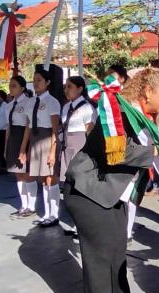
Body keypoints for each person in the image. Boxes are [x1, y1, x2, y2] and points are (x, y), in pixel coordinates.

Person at [64, 68, 159, 293]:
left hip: (112, 195)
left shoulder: (140, 116)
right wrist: (154, 152)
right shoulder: (118, 111)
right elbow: (118, 152)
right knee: (101, 261)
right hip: (89, 192)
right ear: (148, 91)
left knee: (116, 256)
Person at [21, 69, 61, 227]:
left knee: (51, 177)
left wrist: (52, 151)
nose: (36, 83)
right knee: (42, 179)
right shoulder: (31, 102)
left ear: (47, 82)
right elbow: (28, 127)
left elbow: (55, 129)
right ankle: (46, 213)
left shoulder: (52, 102)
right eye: (34, 80)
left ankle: (54, 214)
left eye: (39, 80)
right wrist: (24, 149)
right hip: (35, 140)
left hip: (48, 140)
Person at [59, 76, 96, 238]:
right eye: (65, 87)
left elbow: (90, 131)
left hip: (80, 146)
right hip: (67, 146)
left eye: (70, 86)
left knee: (80, 186)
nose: (66, 90)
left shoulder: (87, 108)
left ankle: (83, 225)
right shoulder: (66, 107)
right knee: (70, 187)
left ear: (80, 88)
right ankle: (75, 223)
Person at [5, 76, 37, 218]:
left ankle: (31, 205)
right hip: (13, 138)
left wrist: (23, 148)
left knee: (27, 174)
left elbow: (28, 126)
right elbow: (8, 128)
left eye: (14, 85)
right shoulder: (9, 105)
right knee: (18, 174)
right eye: (10, 85)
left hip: (24, 137)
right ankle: (23, 204)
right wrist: (6, 146)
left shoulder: (29, 102)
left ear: (22, 88)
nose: (11, 88)